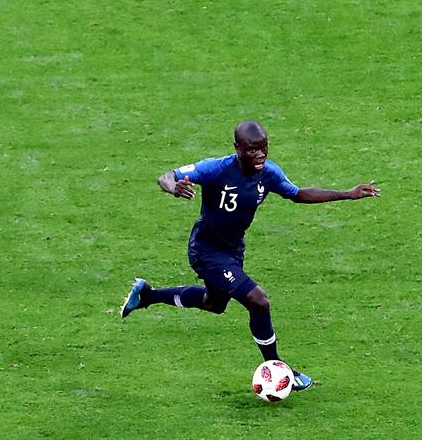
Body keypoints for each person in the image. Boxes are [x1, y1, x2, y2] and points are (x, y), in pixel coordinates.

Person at [120, 120, 380, 390]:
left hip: (232, 251)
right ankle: (280, 370)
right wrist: (173, 187)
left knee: (214, 304)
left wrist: (348, 194)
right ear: (237, 149)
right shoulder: (217, 168)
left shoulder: (268, 173)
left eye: (264, 148)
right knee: (258, 301)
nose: (260, 155)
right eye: (252, 150)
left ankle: (147, 295)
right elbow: (167, 176)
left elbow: (298, 194)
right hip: (206, 251)